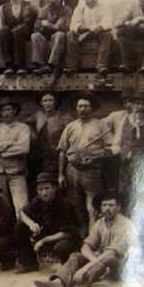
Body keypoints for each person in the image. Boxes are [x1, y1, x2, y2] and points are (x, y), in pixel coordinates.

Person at [35, 190, 136, 287]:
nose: (107, 208)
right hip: (102, 260)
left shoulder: (125, 224)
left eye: (111, 205)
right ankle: (59, 283)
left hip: (122, 266)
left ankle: (82, 281)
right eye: (104, 205)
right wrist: (93, 260)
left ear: (118, 207)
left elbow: (111, 253)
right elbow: (86, 246)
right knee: (76, 255)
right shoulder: (100, 223)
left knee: (106, 259)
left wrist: (85, 268)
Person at [58, 92, 112, 229]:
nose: (82, 109)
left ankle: (93, 235)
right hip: (72, 171)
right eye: (80, 106)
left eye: (86, 106)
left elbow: (111, 150)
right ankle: (80, 234)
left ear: (92, 109)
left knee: (93, 206)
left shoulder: (101, 126)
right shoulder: (70, 126)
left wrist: (95, 157)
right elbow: (62, 151)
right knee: (75, 204)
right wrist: (61, 174)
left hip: (92, 172)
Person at [13, 172, 80, 274]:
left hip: (65, 238)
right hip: (47, 233)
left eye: (47, 188)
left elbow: (68, 233)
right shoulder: (38, 200)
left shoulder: (65, 204)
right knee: (20, 225)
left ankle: (68, 268)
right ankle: (29, 263)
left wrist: (44, 240)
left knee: (61, 247)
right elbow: (22, 212)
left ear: (54, 188)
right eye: (40, 189)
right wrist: (31, 223)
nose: (44, 193)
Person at [0, 97, 32, 215]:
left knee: (21, 206)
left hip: (17, 172)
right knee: (1, 205)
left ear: (14, 110)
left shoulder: (23, 128)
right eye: (3, 110)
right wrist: (8, 143)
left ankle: (22, 226)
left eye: (9, 109)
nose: (6, 113)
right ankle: (3, 227)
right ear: (0, 113)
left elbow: (24, 148)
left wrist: (1, 152)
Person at [63, 0, 112, 75]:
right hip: (82, 35)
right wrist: (89, 28)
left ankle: (101, 66)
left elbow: (107, 23)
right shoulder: (79, 9)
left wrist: (88, 34)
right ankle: (72, 66)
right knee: (70, 34)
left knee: (107, 35)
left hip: (98, 35)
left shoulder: (104, 8)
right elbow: (74, 25)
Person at [25, 91, 70, 179]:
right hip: (40, 156)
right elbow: (27, 123)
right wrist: (32, 133)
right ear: (41, 103)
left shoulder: (63, 118)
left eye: (50, 100)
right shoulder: (38, 115)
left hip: (55, 156)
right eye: (45, 101)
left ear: (55, 102)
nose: (48, 103)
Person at [30, 0, 71, 75]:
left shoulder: (66, 10)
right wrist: (54, 26)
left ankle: (51, 65)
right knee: (35, 36)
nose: (53, 0)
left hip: (59, 38)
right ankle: (40, 65)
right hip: (45, 35)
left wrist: (48, 25)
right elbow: (37, 26)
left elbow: (65, 27)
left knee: (59, 34)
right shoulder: (44, 10)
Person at [0, 0, 34, 76]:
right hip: (9, 34)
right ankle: (9, 65)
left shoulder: (29, 5)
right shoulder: (3, 8)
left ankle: (20, 66)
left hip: (25, 33)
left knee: (18, 32)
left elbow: (34, 21)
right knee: (4, 30)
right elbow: (1, 24)